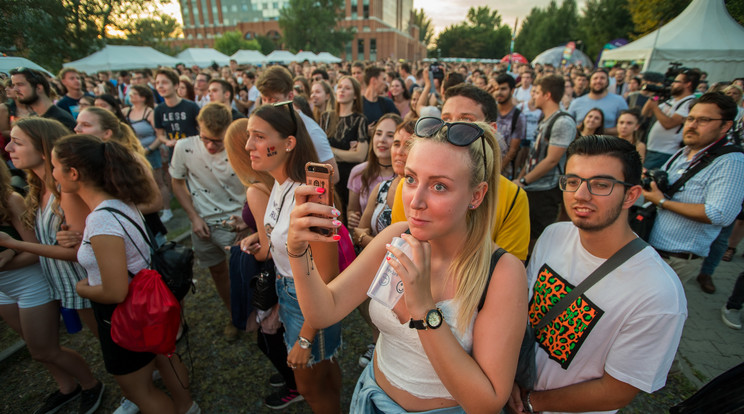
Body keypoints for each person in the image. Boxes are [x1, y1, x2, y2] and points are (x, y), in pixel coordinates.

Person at [286, 116, 526, 413]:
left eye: (439, 186)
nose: (415, 201)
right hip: (372, 398)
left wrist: (425, 310)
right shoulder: (397, 236)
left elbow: (486, 402)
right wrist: (297, 251)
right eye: (411, 179)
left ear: (476, 195)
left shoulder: (502, 272)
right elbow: (325, 310)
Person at [508, 135, 687, 414]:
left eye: (601, 184)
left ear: (631, 195)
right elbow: (523, 311)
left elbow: (615, 392)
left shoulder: (659, 294)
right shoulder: (554, 235)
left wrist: (531, 403)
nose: (581, 194)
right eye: (573, 181)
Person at [54, 135, 199, 414]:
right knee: (165, 355)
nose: (52, 174)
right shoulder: (121, 202)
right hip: (147, 303)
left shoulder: (100, 219)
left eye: (54, 166)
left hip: (122, 313)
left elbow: (115, 291)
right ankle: (187, 406)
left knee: (139, 391)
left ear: (74, 173)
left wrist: (82, 288)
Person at [0, 121, 105, 414]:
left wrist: (14, 246)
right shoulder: (39, 188)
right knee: (109, 344)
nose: (8, 148)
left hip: (88, 284)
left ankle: (139, 388)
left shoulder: (65, 191)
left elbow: (82, 254)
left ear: (44, 149)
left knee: (114, 345)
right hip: (71, 286)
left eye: (17, 142)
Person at [246, 103, 343, 412]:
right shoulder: (279, 183)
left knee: (309, 387)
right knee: (321, 374)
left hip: (309, 302)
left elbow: (327, 276)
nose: (249, 145)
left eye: (259, 137)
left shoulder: (311, 196)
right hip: (292, 292)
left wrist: (305, 338)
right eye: (249, 136)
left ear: (289, 143)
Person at [392, 83, 531, 261]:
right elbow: (403, 246)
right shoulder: (408, 187)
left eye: (466, 121)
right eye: (446, 118)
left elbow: (509, 264)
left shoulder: (513, 196)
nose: (450, 128)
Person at [223, 118, 303, 408]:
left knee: (269, 335)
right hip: (287, 272)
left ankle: (296, 384)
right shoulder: (277, 180)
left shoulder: (255, 188)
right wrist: (255, 233)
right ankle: (294, 377)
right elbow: (273, 224)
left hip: (278, 274)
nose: (248, 145)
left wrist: (250, 251)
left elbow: (269, 249)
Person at [642, 92, 744, 294]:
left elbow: (720, 214)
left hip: (676, 259)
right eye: (690, 119)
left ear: (725, 126)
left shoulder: (731, 162)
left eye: (703, 120)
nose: (692, 125)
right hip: (652, 248)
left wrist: (662, 201)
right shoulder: (685, 151)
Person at [170, 102, 246, 338]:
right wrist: (193, 217)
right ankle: (235, 317)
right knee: (217, 272)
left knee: (245, 276)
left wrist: (249, 220)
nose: (211, 146)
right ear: (197, 127)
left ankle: (255, 319)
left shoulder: (240, 149)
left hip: (237, 224)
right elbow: (177, 181)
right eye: (205, 138)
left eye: (217, 141)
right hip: (202, 224)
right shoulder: (184, 147)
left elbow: (257, 185)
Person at [515, 74, 578, 248]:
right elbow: (533, 156)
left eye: (536, 92)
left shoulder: (562, 122)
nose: (533, 96)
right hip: (533, 186)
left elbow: (551, 160)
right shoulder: (547, 119)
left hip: (545, 189)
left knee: (538, 239)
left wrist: (523, 180)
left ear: (547, 95)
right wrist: (521, 178)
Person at [255, 66, 339, 185]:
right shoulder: (267, 126)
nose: (268, 106)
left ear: (290, 96)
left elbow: (333, 176)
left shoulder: (311, 130)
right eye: (264, 99)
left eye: (274, 100)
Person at [347, 113, 400, 229]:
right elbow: (352, 210)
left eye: (390, 136)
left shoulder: (404, 177)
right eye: (378, 133)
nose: (382, 140)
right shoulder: (358, 172)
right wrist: (351, 217)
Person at [642, 68, 699, 169]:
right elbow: (645, 113)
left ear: (688, 84)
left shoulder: (689, 103)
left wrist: (655, 106)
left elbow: (669, 124)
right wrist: (655, 96)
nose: (672, 84)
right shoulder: (672, 101)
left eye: (677, 82)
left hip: (665, 152)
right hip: (652, 149)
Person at [9, 68, 76, 131]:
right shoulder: (34, 118)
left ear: (39, 88)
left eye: (20, 84)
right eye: (13, 85)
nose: (15, 89)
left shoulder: (61, 120)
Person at [568, 69, 627, 135]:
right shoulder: (576, 102)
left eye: (602, 78)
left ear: (607, 82)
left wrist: (599, 130)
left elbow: (626, 127)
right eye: (595, 78)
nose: (598, 81)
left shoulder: (619, 101)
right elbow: (568, 125)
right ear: (589, 82)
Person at [494, 74, 527, 177]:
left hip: (505, 173)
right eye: (496, 89)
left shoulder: (519, 117)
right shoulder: (490, 112)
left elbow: (513, 150)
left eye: (503, 89)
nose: (499, 92)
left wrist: (496, 172)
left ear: (512, 91)